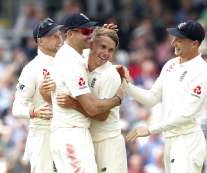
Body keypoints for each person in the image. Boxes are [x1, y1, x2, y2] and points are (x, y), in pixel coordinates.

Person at [121, 20, 207, 173]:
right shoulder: (171, 64)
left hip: (187, 141)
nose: (174, 42)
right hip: (170, 140)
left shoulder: (201, 71)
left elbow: (186, 115)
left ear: (195, 44)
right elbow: (151, 98)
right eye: (174, 37)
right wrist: (124, 85)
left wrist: (151, 129)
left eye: (180, 39)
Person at [49, 13, 124, 173]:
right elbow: (92, 108)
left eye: (90, 31)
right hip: (71, 133)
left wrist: (102, 35)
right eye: (84, 31)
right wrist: (117, 99)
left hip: (77, 134)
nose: (89, 35)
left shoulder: (74, 55)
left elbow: (94, 51)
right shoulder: (72, 62)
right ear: (69, 34)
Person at [12, 18, 63, 173]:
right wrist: (34, 111)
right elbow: (16, 107)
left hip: (66, 130)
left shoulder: (66, 63)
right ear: (40, 41)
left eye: (59, 34)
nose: (59, 38)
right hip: (43, 132)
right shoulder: (32, 69)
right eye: (53, 35)